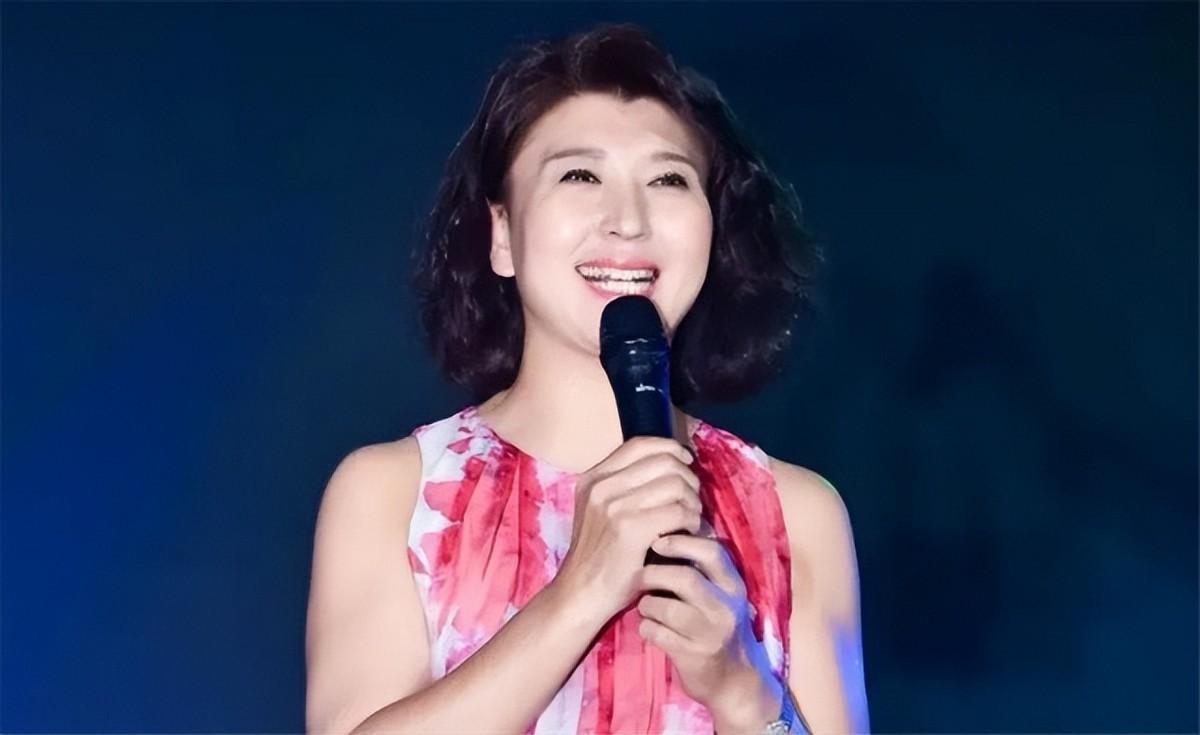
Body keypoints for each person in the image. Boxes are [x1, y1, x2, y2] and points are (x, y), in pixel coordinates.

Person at [306, 24, 868, 734]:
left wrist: (744, 693)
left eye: (668, 179)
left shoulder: (795, 513)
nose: (628, 221)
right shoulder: (393, 492)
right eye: (580, 176)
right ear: (502, 234)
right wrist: (581, 590)